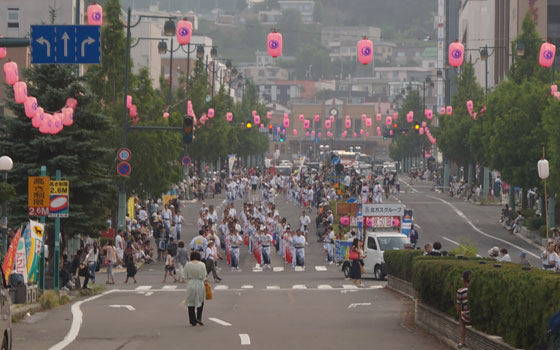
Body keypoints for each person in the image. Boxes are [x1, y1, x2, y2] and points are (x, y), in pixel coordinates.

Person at [184, 251, 207, 326]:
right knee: (201, 301)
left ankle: (192, 320)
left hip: (191, 283)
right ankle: (199, 318)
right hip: (200, 283)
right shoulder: (202, 264)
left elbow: (185, 276)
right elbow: (204, 276)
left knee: (190, 302)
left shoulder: (187, 264)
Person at [456, 270, 471, 349]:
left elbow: (458, 306)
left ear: (463, 280)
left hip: (466, 315)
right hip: (475, 314)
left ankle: (462, 342)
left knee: (461, 319)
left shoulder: (460, 291)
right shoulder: (476, 289)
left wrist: (459, 313)